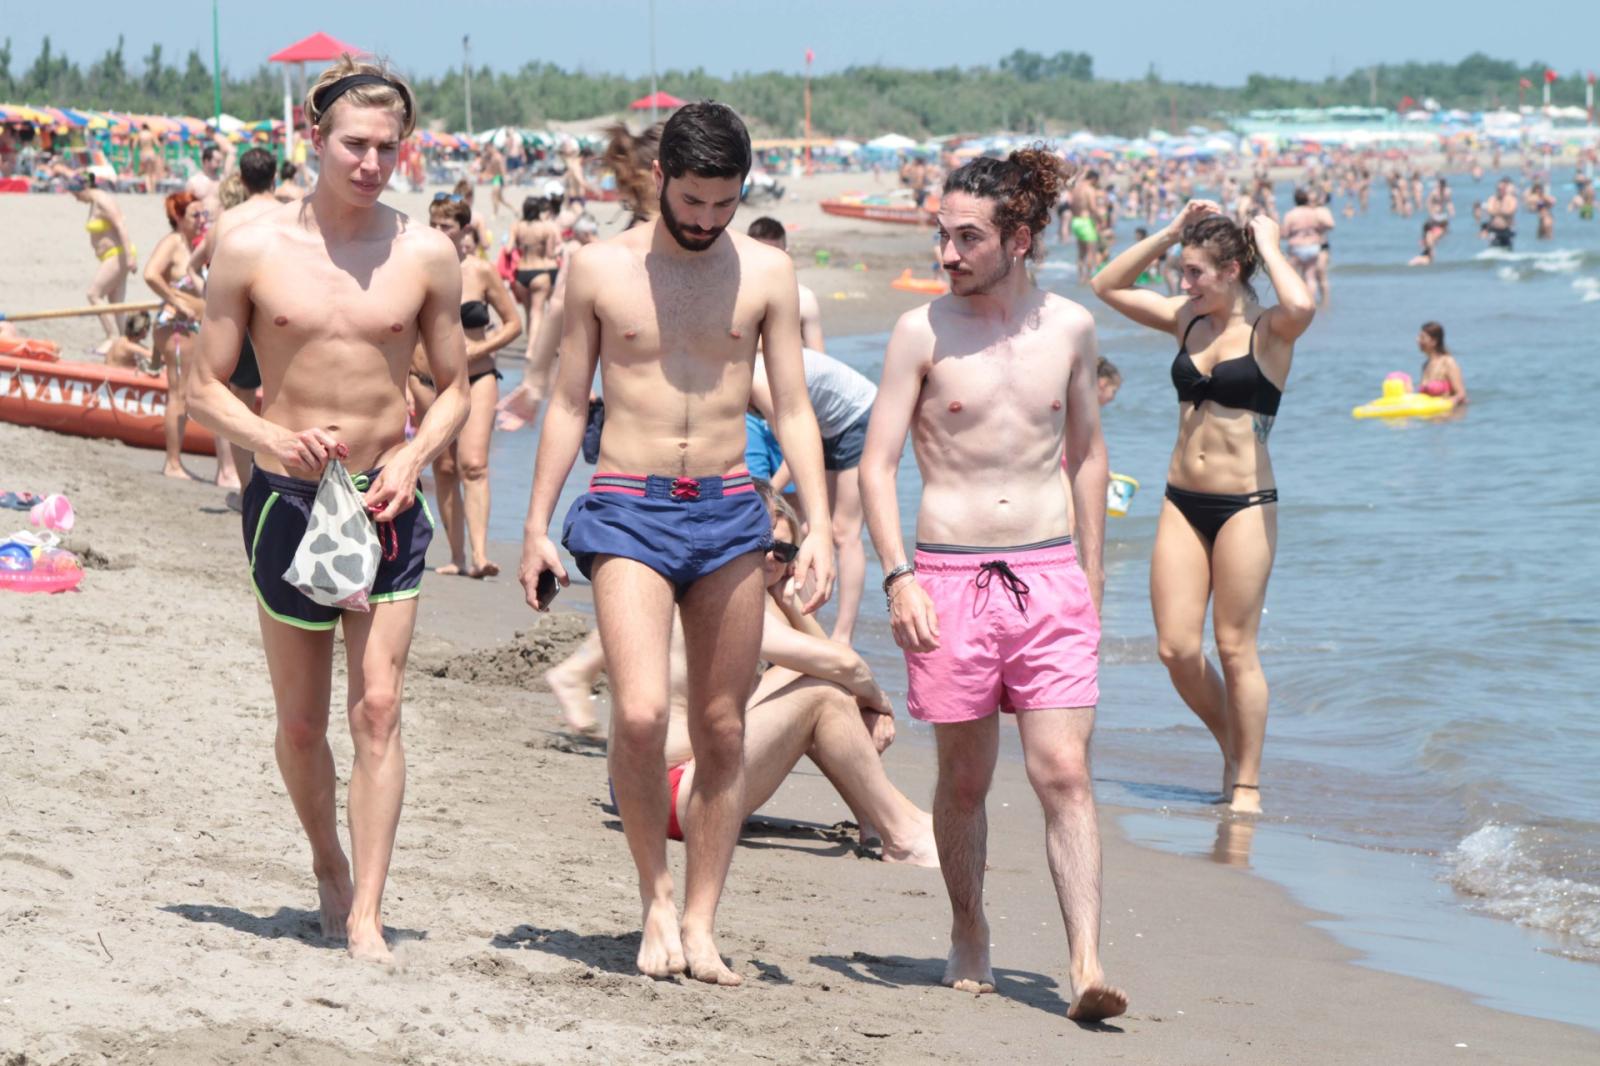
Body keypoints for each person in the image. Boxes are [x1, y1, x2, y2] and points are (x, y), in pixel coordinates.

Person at [518, 101, 834, 985]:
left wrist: (821, 528)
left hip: (733, 508)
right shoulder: (597, 268)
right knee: (647, 712)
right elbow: (570, 403)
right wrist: (538, 526)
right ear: (660, 179)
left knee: (725, 726)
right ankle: (653, 896)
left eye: (722, 204)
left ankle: (701, 920)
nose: (703, 221)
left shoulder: (767, 271)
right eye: (691, 202)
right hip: (625, 503)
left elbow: (796, 408)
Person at [184, 56, 470, 965]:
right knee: (304, 725)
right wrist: (268, 444)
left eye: (389, 148)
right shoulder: (250, 243)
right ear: (315, 137)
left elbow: (457, 388)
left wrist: (419, 452)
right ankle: (327, 864)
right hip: (289, 500)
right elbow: (202, 388)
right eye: (355, 144)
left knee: (378, 709)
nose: (372, 164)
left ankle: (368, 915)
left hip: (386, 496)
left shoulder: (424, 252)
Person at [859, 149, 1125, 1022]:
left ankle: (1085, 962)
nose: (947, 253)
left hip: (1048, 575)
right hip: (948, 577)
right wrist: (898, 579)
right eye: (942, 235)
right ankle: (968, 927)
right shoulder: (920, 333)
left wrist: (1087, 574)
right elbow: (877, 465)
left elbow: (1087, 453)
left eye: (966, 236)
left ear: (1020, 238)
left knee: (1063, 772)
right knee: (965, 780)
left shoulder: (1072, 331)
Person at [547, 483, 938, 865]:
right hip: (667, 791)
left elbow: (830, 661)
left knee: (820, 687)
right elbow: (845, 665)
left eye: (785, 552)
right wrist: (879, 704)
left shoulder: (726, 588)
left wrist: (793, 603)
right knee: (823, 695)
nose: (772, 560)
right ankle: (901, 830)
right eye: (765, 545)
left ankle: (875, 818)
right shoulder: (725, 595)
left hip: (645, 785)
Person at [1090, 201, 1315, 815]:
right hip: (1181, 501)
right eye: (1181, 271)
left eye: (1195, 272)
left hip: (1245, 504)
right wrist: (1169, 231)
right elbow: (1105, 284)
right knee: (1177, 650)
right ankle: (1232, 744)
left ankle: (1246, 782)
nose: (1182, 283)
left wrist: (1270, 243)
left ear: (1232, 269)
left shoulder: (1271, 330)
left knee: (1236, 648)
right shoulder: (1186, 320)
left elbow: (1302, 305)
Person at [409, 195, 522, 577]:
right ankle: (455, 556)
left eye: (448, 226)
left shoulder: (481, 271)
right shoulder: (415, 266)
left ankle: (480, 554)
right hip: (427, 380)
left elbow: (512, 324)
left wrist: (480, 347)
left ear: (465, 230)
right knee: (442, 466)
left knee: (472, 464)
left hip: (477, 376)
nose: (440, 232)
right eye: (435, 225)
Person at [749, 345, 875, 644]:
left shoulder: (756, 381)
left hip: (856, 416)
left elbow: (797, 450)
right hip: (823, 424)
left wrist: (768, 496)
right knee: (806, 529)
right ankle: (804, 619)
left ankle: (843, 636)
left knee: (844, 532)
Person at [187, 148, 285, 492]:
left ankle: (248, 491)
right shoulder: (290, 214)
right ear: (275, 177)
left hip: (239, 319)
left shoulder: (227, 221)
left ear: (240, 179)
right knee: (284, 400)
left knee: (240, 406)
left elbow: (207, 271)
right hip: (281, 318)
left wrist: (207, 302)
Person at [143, 191, 208, 480]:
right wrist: (176, 301)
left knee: (184, 394)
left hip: (191, 327)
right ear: (178, 218)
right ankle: (172, 463)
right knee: (178, 393)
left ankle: (175, 460)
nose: (201, 220)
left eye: (203, 214)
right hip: (175, 327)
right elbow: (150, 274)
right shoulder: (172, 243)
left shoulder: (192, 245)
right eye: (195, 215)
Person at [71, 174, 136, 356]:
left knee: (93, 294)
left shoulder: (104, 202)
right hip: (111, 255)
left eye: (76, 194)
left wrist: (130, 257)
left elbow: (121, 226)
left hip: (118, 254)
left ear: (83, 189)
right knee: (115, 304)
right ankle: (124, 342)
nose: (76, 199)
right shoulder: (94, 202)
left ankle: (112, 337)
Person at [746, 217, 824, 350]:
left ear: (786, 255)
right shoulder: (730, 299)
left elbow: (819, 360)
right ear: (746, 253)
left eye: (775, 254)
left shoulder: (803, 299)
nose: (767, 262)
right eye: (760, 254)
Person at [510, 194, 561, 341]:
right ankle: (532, 349)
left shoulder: (517, 226)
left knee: (528, 312)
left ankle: (532, 343)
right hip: (540, 271)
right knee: (538, 311)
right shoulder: (546, 228)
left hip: (521, 273)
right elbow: (550, 254)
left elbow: (509, 248)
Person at [1416, 321, 1467, 406]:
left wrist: (1447, 404)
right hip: (1430, 416)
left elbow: (1461, 395)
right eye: (1418, 337)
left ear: (1434, 341)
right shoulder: (1425, 365)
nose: (1417, 340)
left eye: (1422, 337)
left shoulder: (1448, 362)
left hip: (1450, 416)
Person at [1068, 168, 1103, 283]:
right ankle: (1088, 277)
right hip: (1086, 222)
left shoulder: (1076, 188)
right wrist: (1100, 220)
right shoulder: (1090, 190)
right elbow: (1093, 208)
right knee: (1090, 251)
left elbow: (1071, 204)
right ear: (1094, 179)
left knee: (1081, 252)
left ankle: (1080, 277)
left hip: (1075, 221)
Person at [187, 144, 225, 214]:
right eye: (217, 161)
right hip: (202, 221)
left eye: (221, 161)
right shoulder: (194, 181)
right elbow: (188, 206)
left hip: (220, 220)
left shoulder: (223, 180)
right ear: (206, 161)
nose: (220, 165)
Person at [1485, 178, 1518, 250]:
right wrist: (1501, 211)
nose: (1500, 191)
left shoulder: (1511, 199)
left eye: (1502, 189)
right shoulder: (1492, 199)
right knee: (1493, 248)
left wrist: (1497, 210)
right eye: (1498, 189)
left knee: (1508, 248)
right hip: (1494, 230)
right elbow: (1490, 211)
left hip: (1506, 229)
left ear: (1505, 189)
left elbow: (1510, 211)